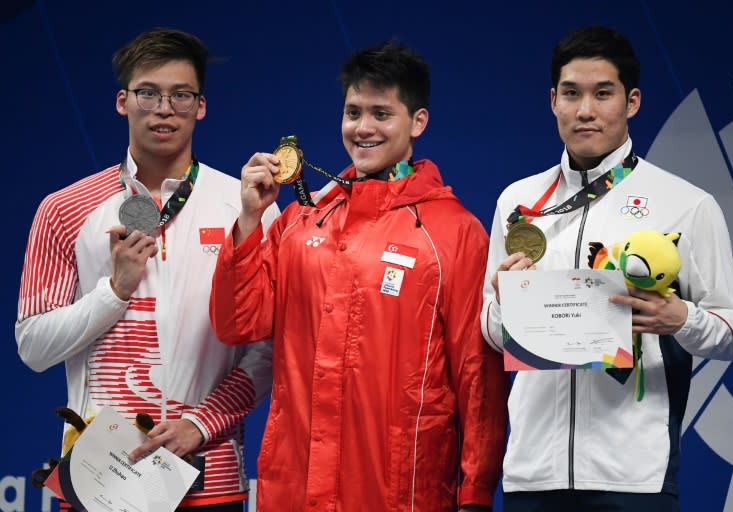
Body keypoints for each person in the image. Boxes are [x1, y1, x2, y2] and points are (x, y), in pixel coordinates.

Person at [209, 40, 508, 511]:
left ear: (418, 122)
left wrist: (475, 488)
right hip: (294, 488)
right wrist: (249, 222)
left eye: (381, 114)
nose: (363, 128)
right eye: (353, 112)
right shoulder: (301, 220)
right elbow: (237, 324)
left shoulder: (453, 232)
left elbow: (477, 374)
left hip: (400, 491)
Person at [481, 26, 733, 512]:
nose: (585, 110)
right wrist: (504, 305)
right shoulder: (517, 202)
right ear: (553, 101)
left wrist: (681, 319)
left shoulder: (686, 205)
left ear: (632, 102)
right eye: (571, 93)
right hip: (532, 473)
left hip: (633, 476)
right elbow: (491, 332)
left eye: (602, 93)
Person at [16, 28, 279, 511]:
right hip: (101, 479)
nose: (164, 108)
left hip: (210, 472)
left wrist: (200, 424)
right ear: (122, 102)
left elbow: (270, 348)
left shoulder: (244, 208)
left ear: (201, 106)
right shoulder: (64, 209)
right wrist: (113, 291)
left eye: (181, 95)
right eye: (149, 93)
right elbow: (33, 346)